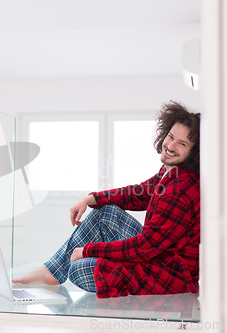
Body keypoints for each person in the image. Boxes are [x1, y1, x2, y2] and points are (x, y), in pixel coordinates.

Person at [13, 101, 201, 298]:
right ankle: (51, 271)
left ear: (193, 152)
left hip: (169, 276)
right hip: (158, 257)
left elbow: (145, 247)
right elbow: (141, 192)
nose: (170, 146)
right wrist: (92, 198)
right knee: (106, 213)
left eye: (182, 143)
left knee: (78, 270)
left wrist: (89, 250)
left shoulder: (180, 189)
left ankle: (52, 271)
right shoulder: (173, 171)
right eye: (171, 137)